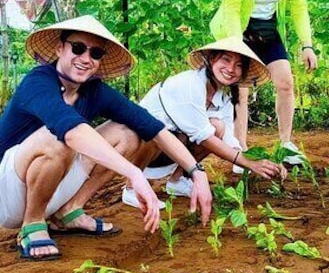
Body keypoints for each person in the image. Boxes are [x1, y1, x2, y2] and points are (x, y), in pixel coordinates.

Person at [0, 15, 212, 261]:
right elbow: (70, 131)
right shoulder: (38, 82)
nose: (86, 59)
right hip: (4, 196)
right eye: (78, 48)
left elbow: (153, 128)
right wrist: (134, 174)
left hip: (53, 190)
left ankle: (70, 211)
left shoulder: (94, 90)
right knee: (59, 136)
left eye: (96, 53)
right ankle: (33, 223)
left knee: (129, 133)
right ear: (60, 48)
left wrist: (196, 172)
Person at [116, 36, 287, 207]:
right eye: (226, 60)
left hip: (172, 148)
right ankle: (132, 188)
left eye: (239, 65)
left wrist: (262, 161)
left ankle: (177, 180)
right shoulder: (191, 84)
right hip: (141, 147)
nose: (231, 68)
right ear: (212, 59)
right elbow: (204, 138)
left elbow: (228, 138)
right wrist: (248, 163)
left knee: (217, 127)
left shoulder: (224, 98)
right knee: (154, 129)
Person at [209, 0, 318, 169]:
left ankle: (286, 144)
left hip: (267, 29)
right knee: (241, 91)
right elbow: (232, 5)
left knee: (285, 83)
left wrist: (307, 44)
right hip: (238, 29)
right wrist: (236, 44)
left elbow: (298, 6)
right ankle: (240, 149)